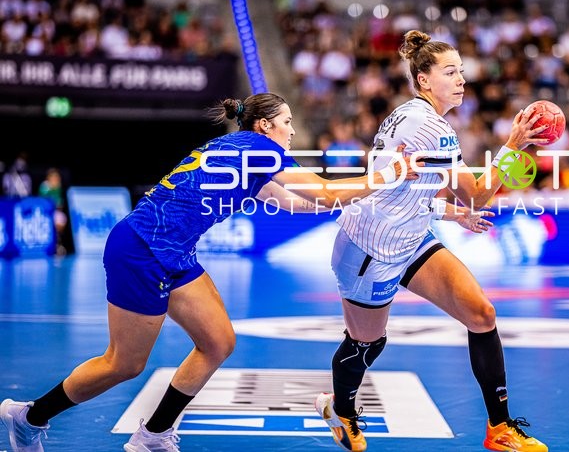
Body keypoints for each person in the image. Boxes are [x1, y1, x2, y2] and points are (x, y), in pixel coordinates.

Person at [0, 92, 420, 452]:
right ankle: (29, 417)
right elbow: (325, 191)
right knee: (123, 364)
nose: (292, 131)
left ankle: (154, 434)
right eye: (287, 122)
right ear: (264, 125)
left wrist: (362, 201)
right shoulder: (259, 149)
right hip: (142, 249)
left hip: (174, 251)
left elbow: (302, 203)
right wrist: (390, 174)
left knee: (217, 342)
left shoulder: (244, 152)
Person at [315, 30, 549, 452]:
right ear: (423, 79)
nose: (461, 79)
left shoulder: (414, 116)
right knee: (367, 342)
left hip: (410, 237)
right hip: (370, 250)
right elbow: (476, 193)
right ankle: (340, 410)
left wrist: (451, 212)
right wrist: (514, 146)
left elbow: (407, 190)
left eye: (461, 71)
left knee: (481, 314)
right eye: (450, 72)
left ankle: (499, 428)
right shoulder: (429, 126)